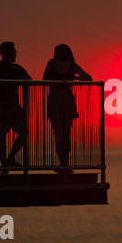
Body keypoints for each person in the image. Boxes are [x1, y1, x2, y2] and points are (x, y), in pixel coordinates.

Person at [43, 44, 92, 173]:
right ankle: (65, 163)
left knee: (58, 134)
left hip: (54, 101)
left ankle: (62, 163)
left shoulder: (51, 63)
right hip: (67, 101)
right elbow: (88, 78)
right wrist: (74, 78)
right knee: (66, 134)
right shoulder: (72, 66)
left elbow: (44, 79)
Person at [0, 42, 31, 171]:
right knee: (23, 132)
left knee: (1, 136)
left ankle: (4, 163)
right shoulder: (16, 68)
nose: (16, 53)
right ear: (11, 53)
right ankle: (10, 158)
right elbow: (29, 80)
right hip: (12, 106)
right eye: (15, 51)